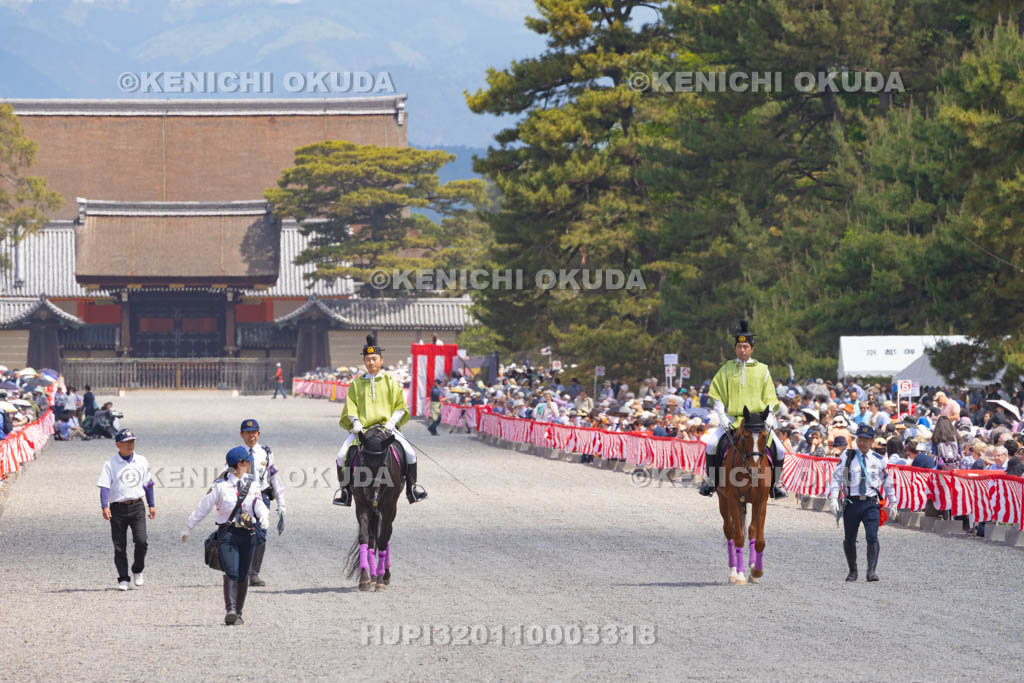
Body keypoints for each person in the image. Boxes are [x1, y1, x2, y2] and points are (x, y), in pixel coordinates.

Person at [334, 335, 427, 506]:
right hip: (362, 430)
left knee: (410, 454)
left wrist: (392, 422)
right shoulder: (356, 384)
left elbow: (400, 406)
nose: (371, 362)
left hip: (387, 428)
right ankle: (345, 492)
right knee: (341, 456)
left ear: (381, 360)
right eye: (367, 359)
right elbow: (351, 406)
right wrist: (355, 421)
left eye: (374, 359)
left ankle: (412, 489)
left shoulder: (391, 382)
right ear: (364, 361)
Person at [699, 319, 787, 498]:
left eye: (746, 347)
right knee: (711, 445)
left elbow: (770, 396)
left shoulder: (763, 370)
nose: (742, 350)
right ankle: (711, 481)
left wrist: (770, 415)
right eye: (739, 347)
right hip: (734, 419)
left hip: (758, 422)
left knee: (780, 449)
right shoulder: (726, 369)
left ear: (752, 349)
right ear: (735, 349)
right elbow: (717, 393)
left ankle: (775, 485)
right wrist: (722, 415)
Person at [181, 446, 268, 625]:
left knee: (243, 574)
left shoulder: (252, 484)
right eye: (247, 461)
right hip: (228, 534)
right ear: (239, 464)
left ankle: (239, 612)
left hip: (248, 533)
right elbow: (203, 507)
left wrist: (263, 515)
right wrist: (189, 526)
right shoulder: (220, 486)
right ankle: (231, 610)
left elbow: (257, 502)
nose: (250, 463)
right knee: (231, 571)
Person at [828, 425, 897, 582]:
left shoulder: (878, 460)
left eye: (866, 440)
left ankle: (871, 572)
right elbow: (836, 477)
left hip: (870, 503)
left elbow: (887, 482)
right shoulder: (848, 456)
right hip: (852, 503)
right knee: (849, 538)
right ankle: (853, 571)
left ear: (872, 441)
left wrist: (893, 501)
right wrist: (833, 497)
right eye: (859, 439)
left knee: (872, 536)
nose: (862, 443)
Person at [96, 429, 155, 591]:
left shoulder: (141, 461)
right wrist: (104, 506)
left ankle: (138, 569)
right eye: (126, 442)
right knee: (119, 545)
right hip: (117, 508)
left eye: (132, 442)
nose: (130, 445)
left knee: (141, 541)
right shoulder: (110, 464)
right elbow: (104, 486)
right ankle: (123, 578)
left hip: (137, 506)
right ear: (118, 444)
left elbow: (148, 484)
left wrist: (151, 504)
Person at [238, 418, 285, 587]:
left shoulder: (266, 453)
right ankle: (243, 572)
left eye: (254, 432)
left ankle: (254, 573)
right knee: (244, 534)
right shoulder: (237, 453)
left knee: (260, 535)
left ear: (258, 433)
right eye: (247, 433)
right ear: (242, 434)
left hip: (263, 498)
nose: (251, 436)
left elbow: (274, 477)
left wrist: (281, 505)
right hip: (244, 499)